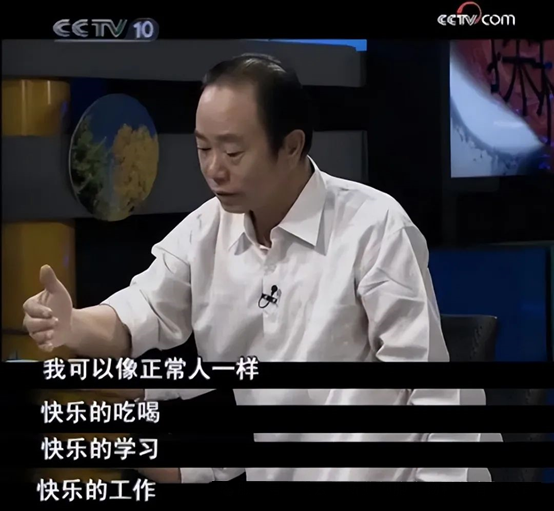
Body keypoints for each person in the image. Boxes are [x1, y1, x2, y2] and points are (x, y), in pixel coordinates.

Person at [23, 53, 485, 482]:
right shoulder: (204, 232)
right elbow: (136, 316)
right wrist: (71, 323)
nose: (214, 170)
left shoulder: (373, 227)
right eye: (203, 148)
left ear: (291, 145)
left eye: (232, 152)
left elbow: (436, 393)